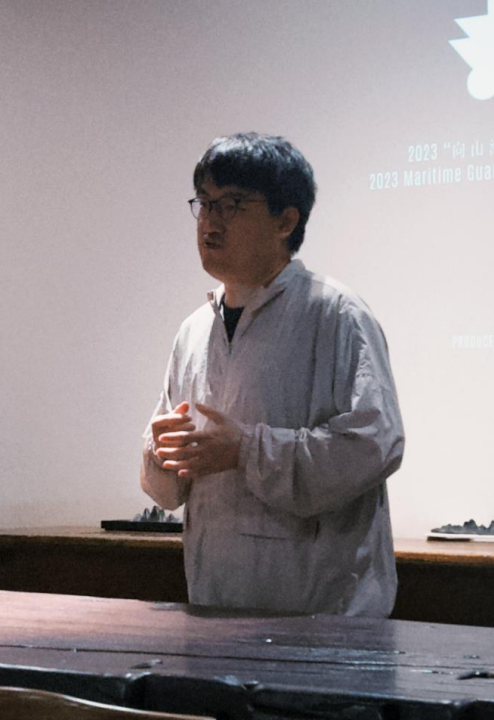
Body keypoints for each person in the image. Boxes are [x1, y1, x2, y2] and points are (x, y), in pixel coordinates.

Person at [141, 133, 404, 617]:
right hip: (214, 610)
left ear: (286, 221)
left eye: (231, 205)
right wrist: (162, 454)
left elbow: (372, 447)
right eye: (204, 203)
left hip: (324, 622)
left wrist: (246, 450)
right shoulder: (193, 331)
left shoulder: (337, 314)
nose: (210, 222)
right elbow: (166, 491)